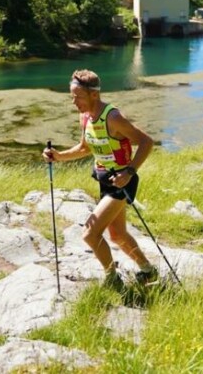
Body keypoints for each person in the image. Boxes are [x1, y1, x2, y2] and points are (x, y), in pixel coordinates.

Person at [42, 69, 158, 289]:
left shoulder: (113, 118)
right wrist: (58, 156)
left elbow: (146, 142)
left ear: (94, 94)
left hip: (121, 183)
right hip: (105, 181)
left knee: (90, 233)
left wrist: (129, 172)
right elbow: (84, 148)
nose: (74, 101)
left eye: (78, 97)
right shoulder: (85, 116)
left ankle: (112, 278)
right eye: (72, 96)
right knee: (118, 235)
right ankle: (148, 270)